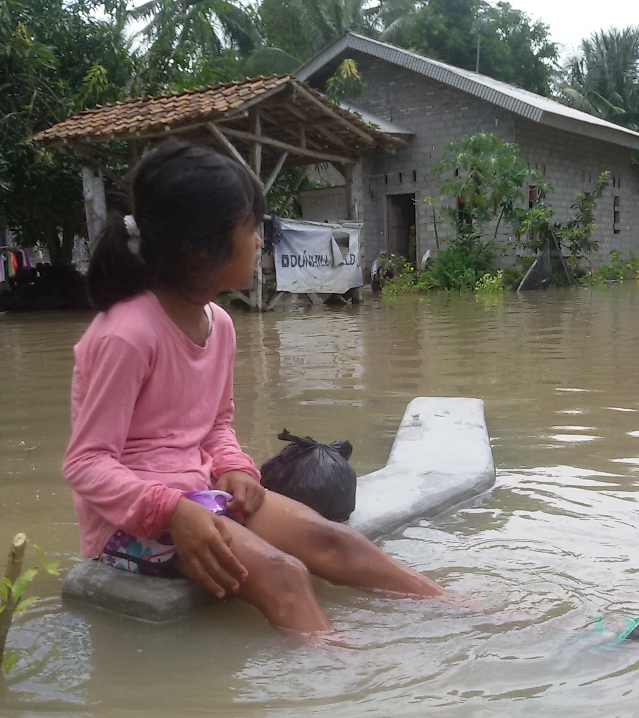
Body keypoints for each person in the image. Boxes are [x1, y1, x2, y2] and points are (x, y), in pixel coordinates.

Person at [63, 141, 445, 641]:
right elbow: (86, 463)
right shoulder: (126, 334)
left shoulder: (219, 324)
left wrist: (234, 468)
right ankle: (355, 689)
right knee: (283, 575)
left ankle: (470, 613)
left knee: (336, 542)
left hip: (203, 495)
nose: (262, 242)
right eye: (251, 229)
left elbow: (216, 424)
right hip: (131, 524)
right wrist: (172, 512)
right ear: (203, 247)